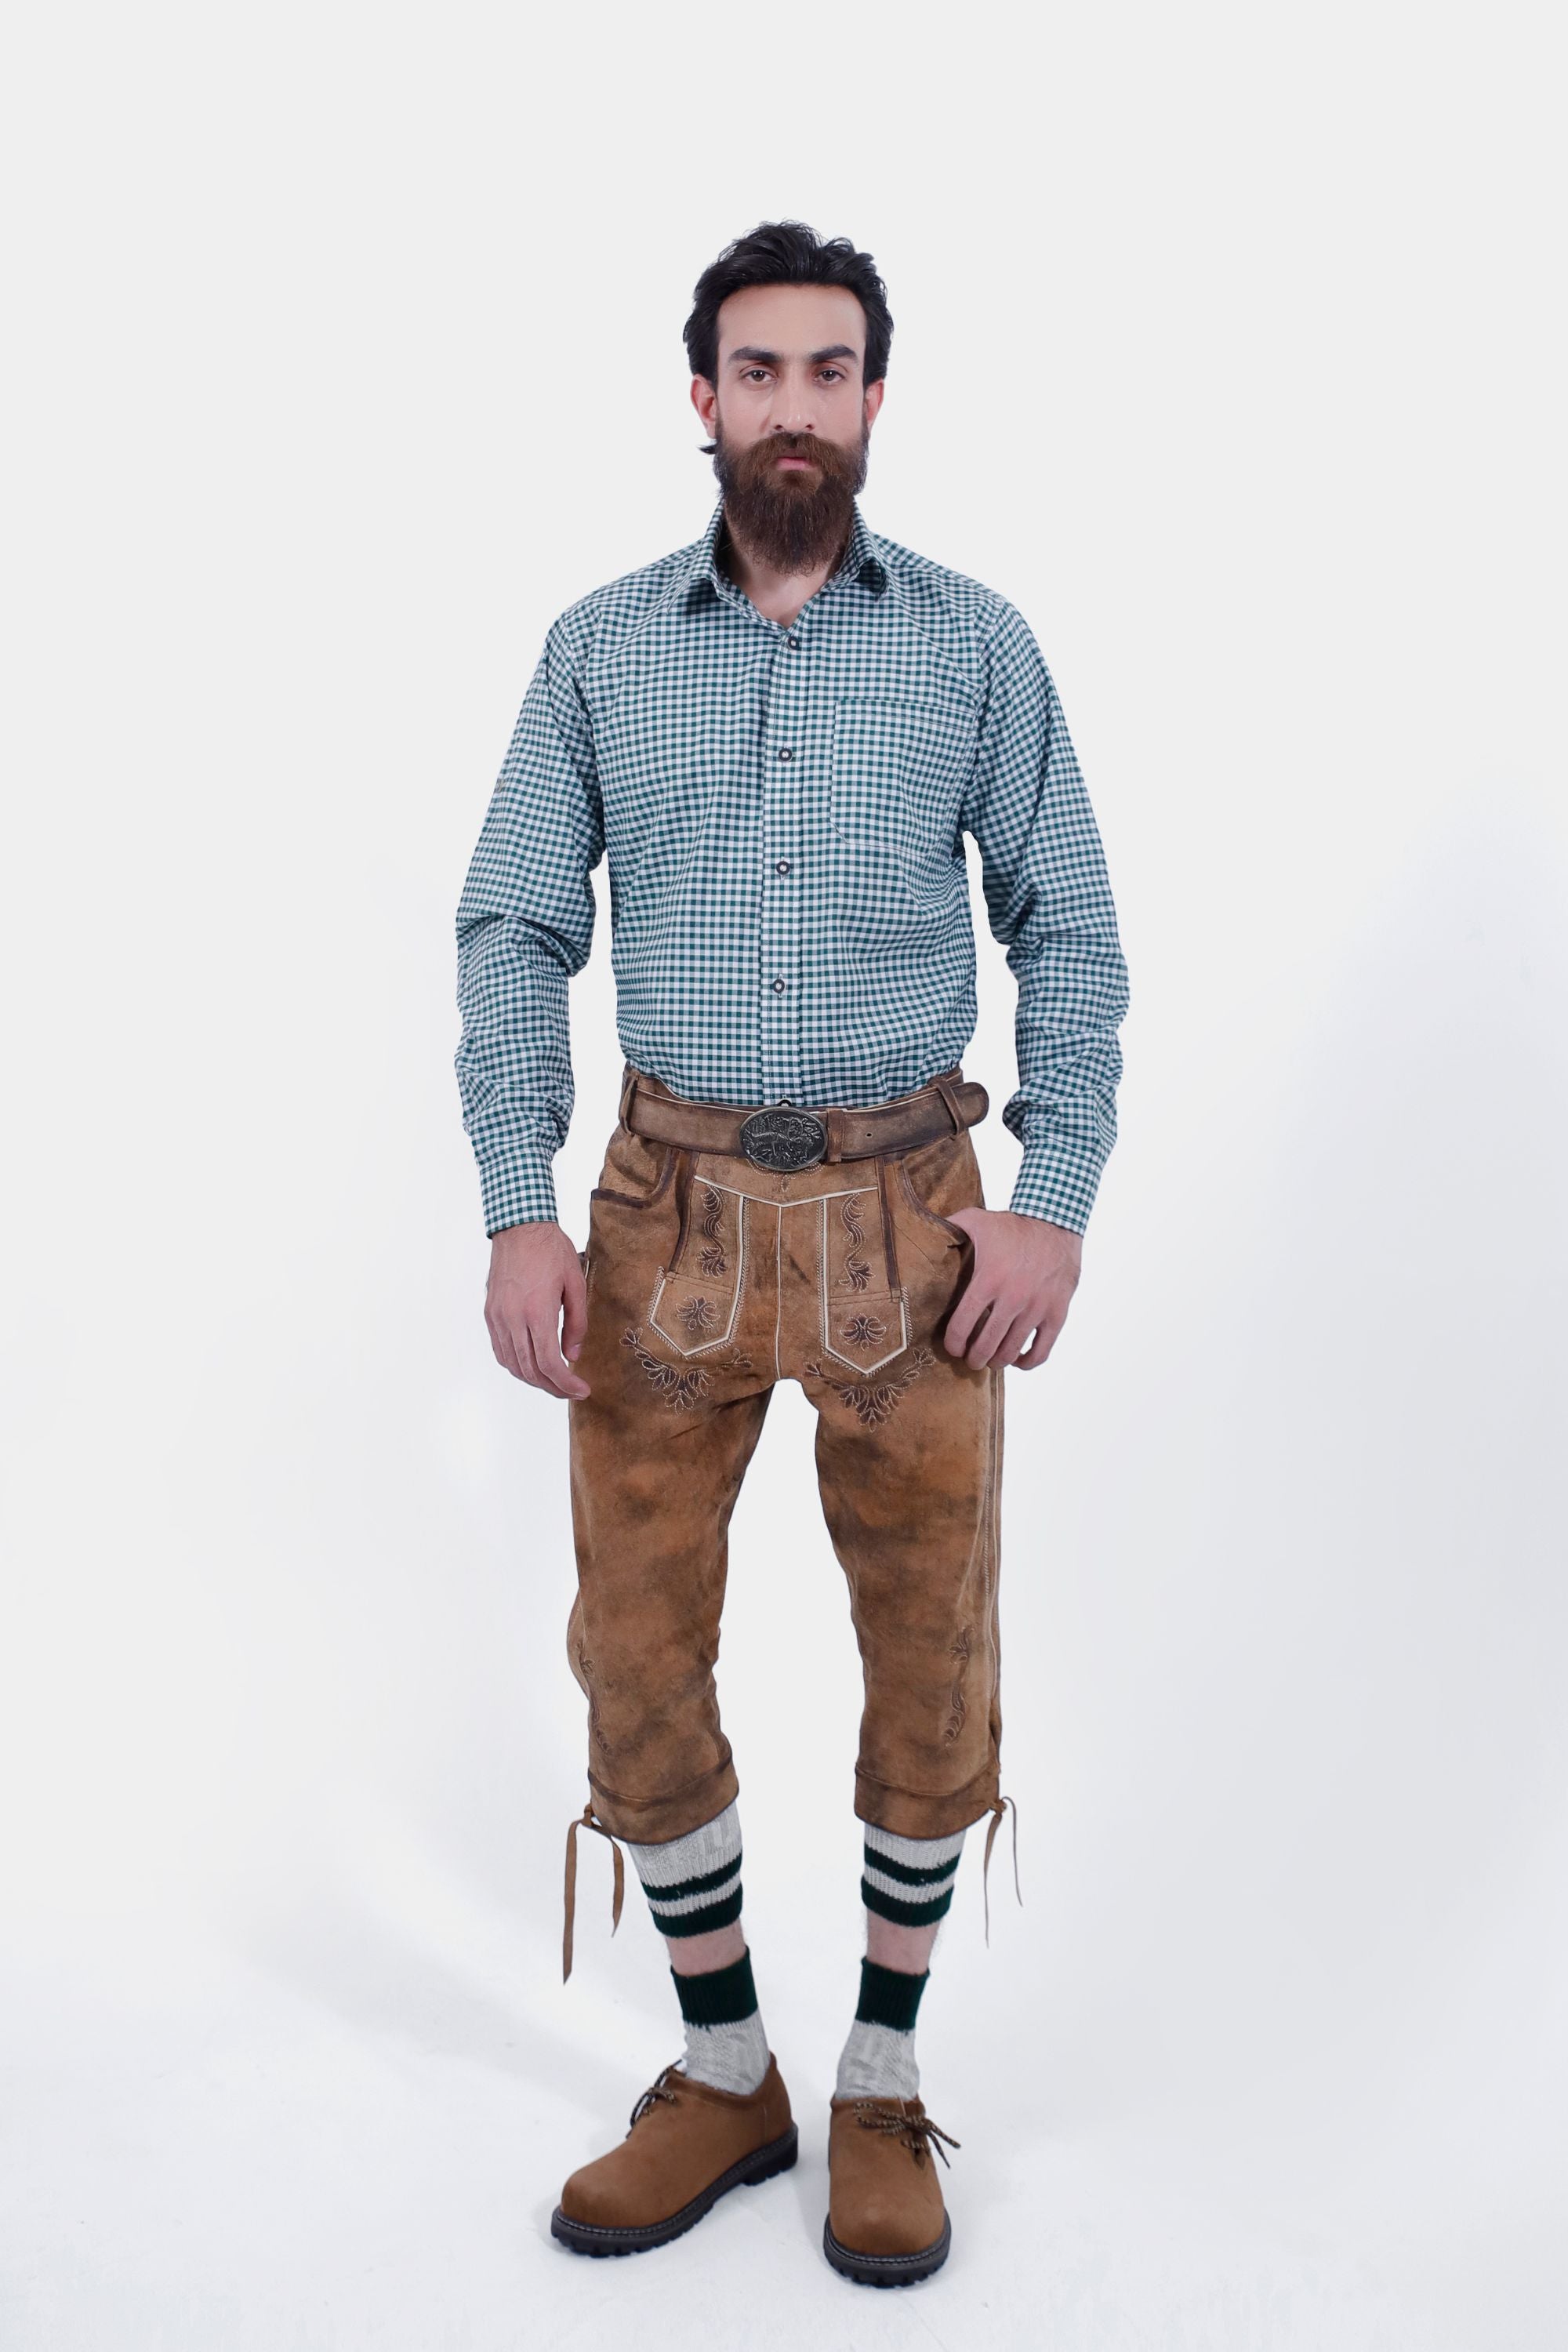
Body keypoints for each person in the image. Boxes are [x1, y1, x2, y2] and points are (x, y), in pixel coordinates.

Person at [453, 219, 1130, 2285]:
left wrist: (1056, 1196)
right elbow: (512, 932)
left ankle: (881, 2088)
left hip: (911, 1223)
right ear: (703, 401)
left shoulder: (976, 646)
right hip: (659, 1223)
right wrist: (513, 1203)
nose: (794, 410)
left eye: (830, 372)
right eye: (758, 373)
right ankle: (728, 2069)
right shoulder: (596, 649)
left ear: (872, 400)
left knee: (932, 1668)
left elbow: (1071, 934)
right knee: (635, 1664)